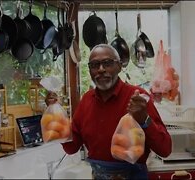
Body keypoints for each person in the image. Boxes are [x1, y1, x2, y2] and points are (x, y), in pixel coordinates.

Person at [45, 44, 172, 179]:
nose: (101, 69)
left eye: (107, 63)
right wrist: (56, 117)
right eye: (94, 65)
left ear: (119, 66)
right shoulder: (87, 100)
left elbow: (165, 149)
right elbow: (71, 148)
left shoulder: (138, 98)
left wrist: (144, 119)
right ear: (89, 70)